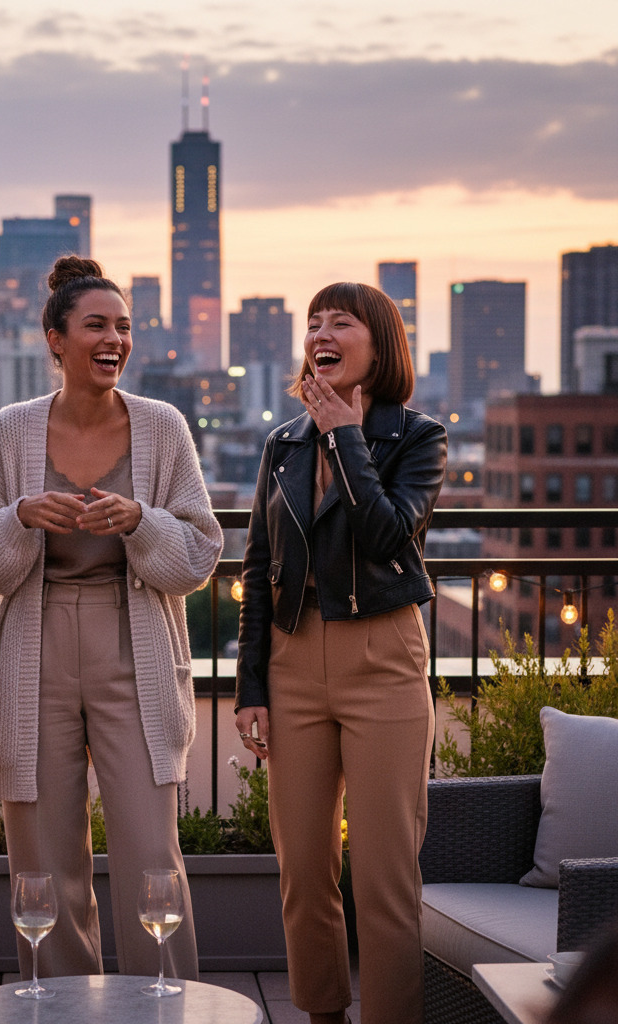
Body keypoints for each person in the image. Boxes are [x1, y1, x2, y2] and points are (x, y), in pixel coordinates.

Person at [0, 256, 222, 980]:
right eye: (96, 326)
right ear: (55, 339)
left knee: (150, 857)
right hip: (32, 656)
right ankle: (60, 1004)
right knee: (42, 864)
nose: (114, 340)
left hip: (134, 648)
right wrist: (20, 517)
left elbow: (200, 552)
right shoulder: (10, 431)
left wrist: (140, 520)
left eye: (124, 327)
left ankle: (166, 1005)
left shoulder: (163, 427)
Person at [234, 282, 447, 1024]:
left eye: (340, 322)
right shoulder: (282, 444)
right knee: (304, 871)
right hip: (294, 664)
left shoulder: (418, 437)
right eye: (313, 324)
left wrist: (345, 437)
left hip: (383, 661)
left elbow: (389, 534)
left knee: (385, 877)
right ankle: (322, 1014)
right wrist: (250, 685)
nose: (321, 334)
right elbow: (259, 570)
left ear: (379, 343)